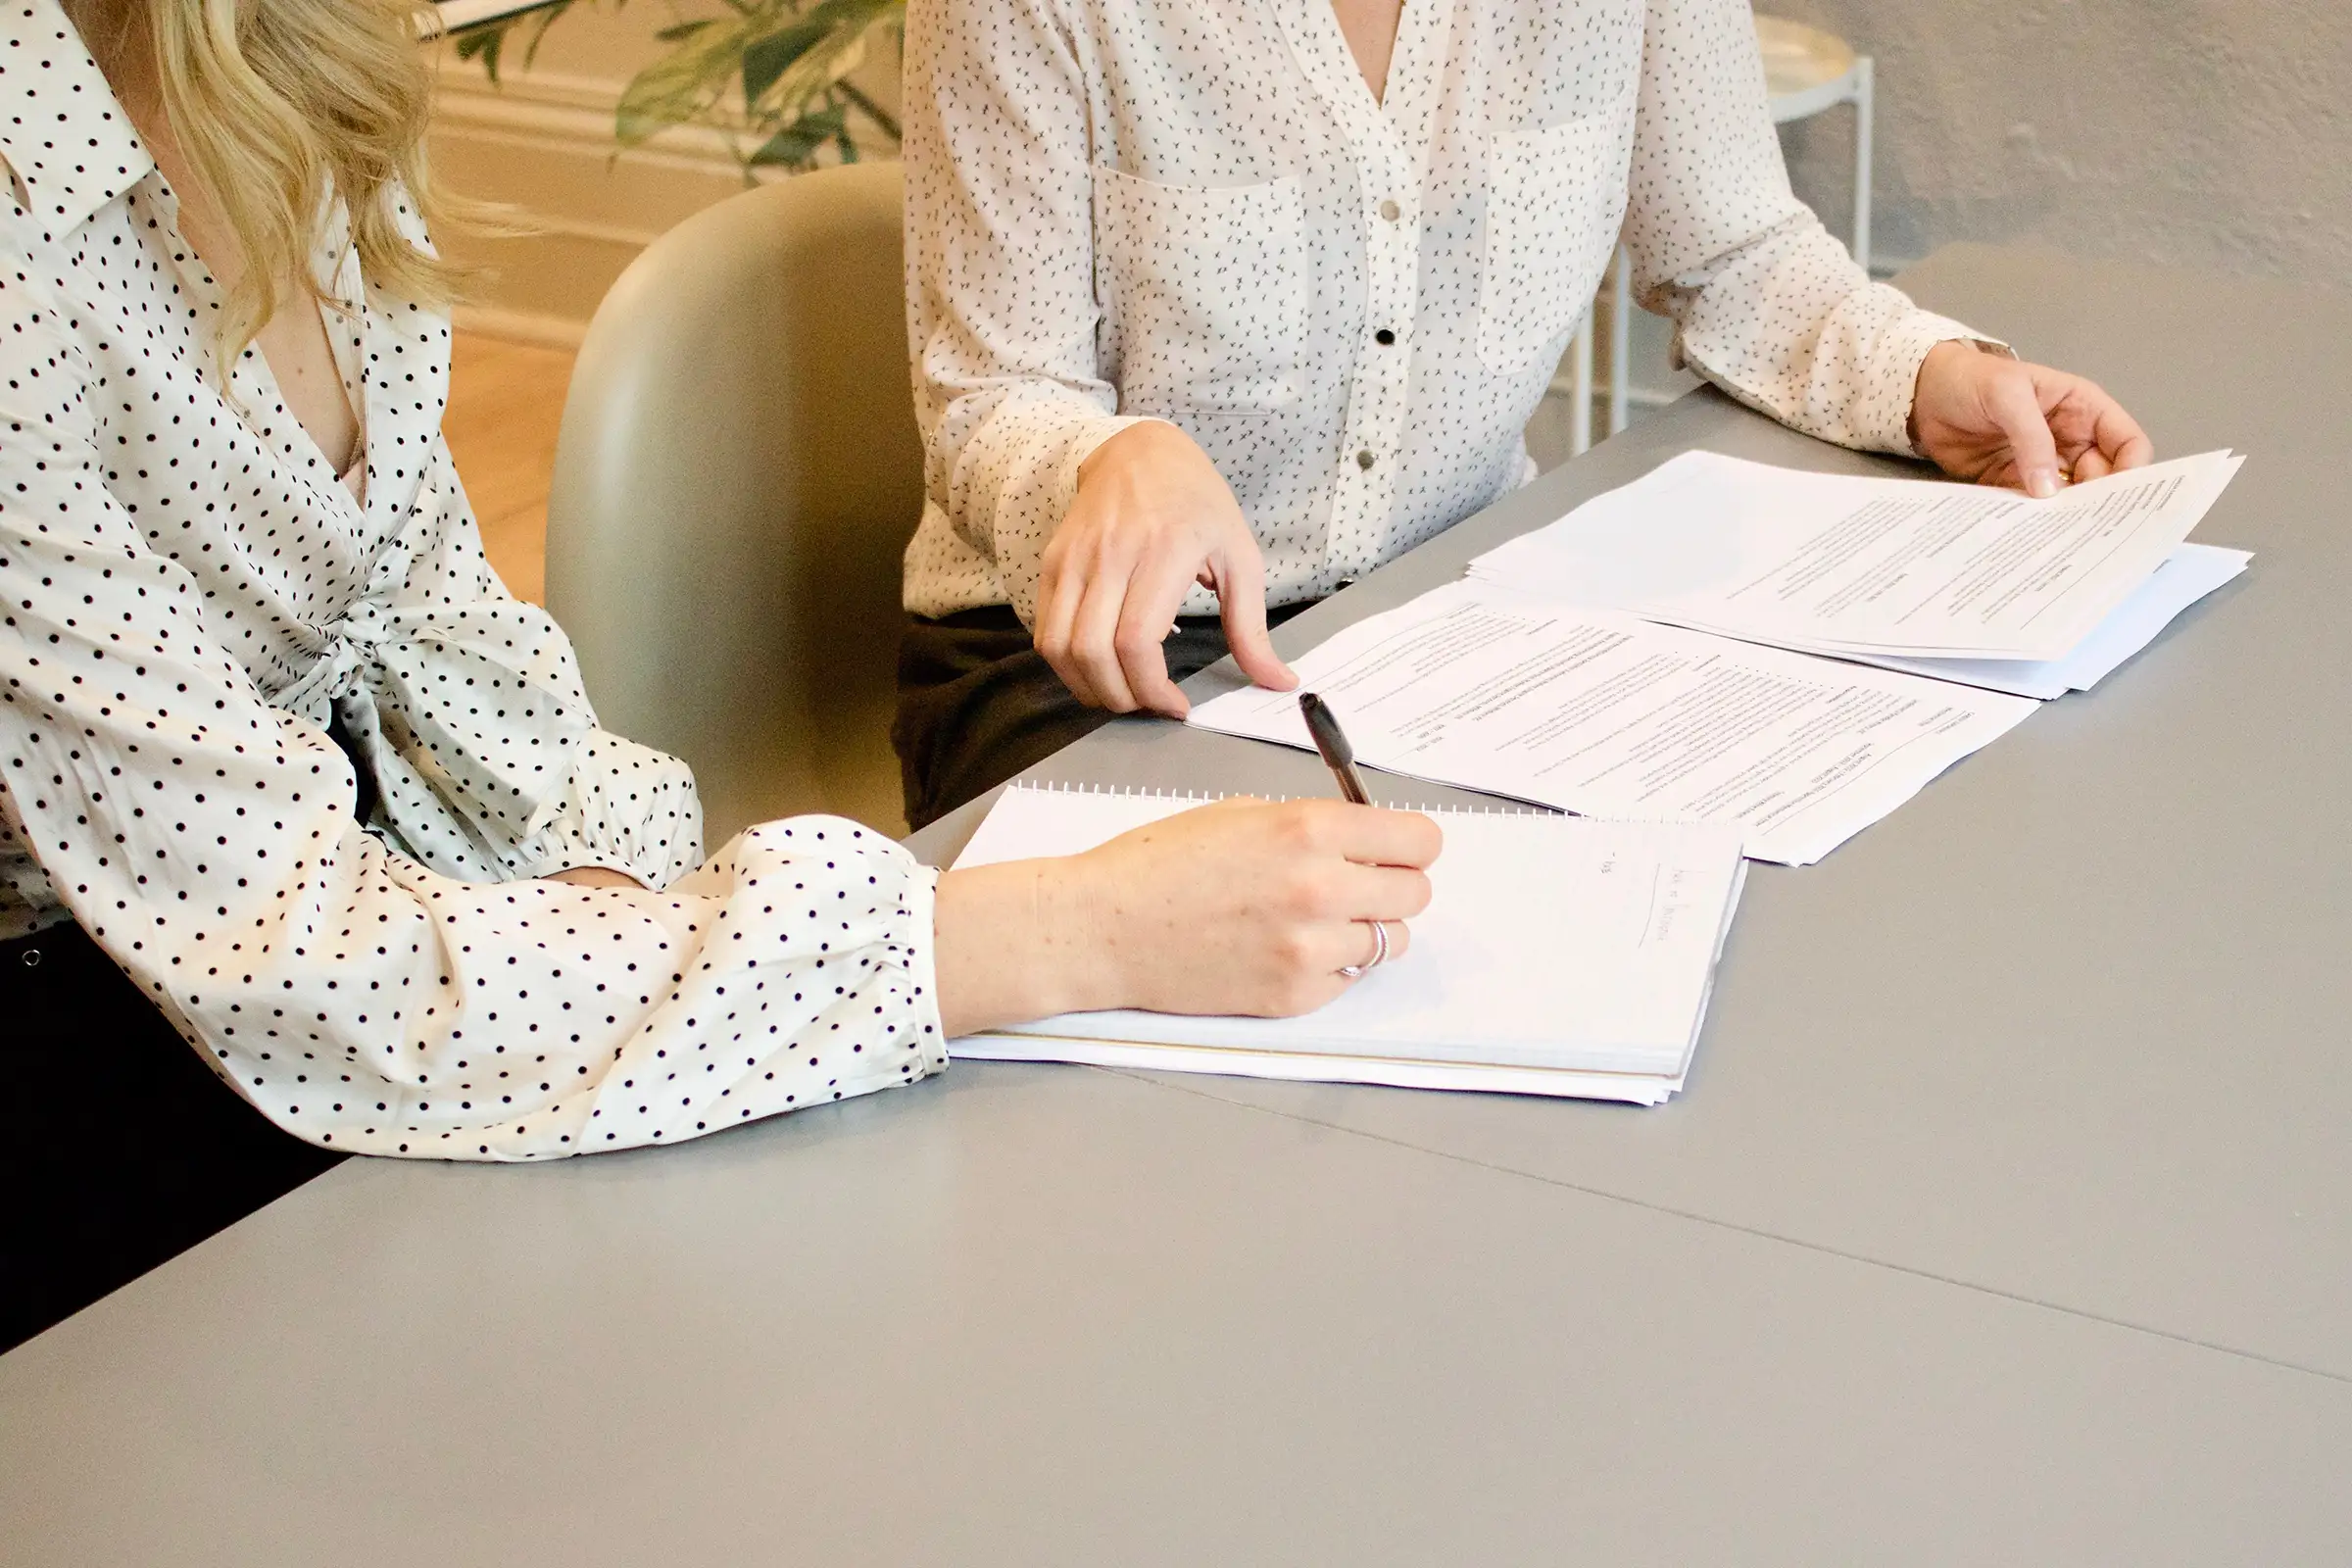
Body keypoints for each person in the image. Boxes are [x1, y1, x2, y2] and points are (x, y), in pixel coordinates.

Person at [0, 0, 1441, 1352]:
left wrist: (608, 893)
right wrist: (1071, 934)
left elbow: (436, 627)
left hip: (364, 933)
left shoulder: (293, 68)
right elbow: (304, 962)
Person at [894, 0, 2157, 828]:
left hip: (1449, 623)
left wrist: (1925, 374)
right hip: (1091, 666)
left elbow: (1732, 248)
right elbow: (988, 394)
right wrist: (1108, 459)